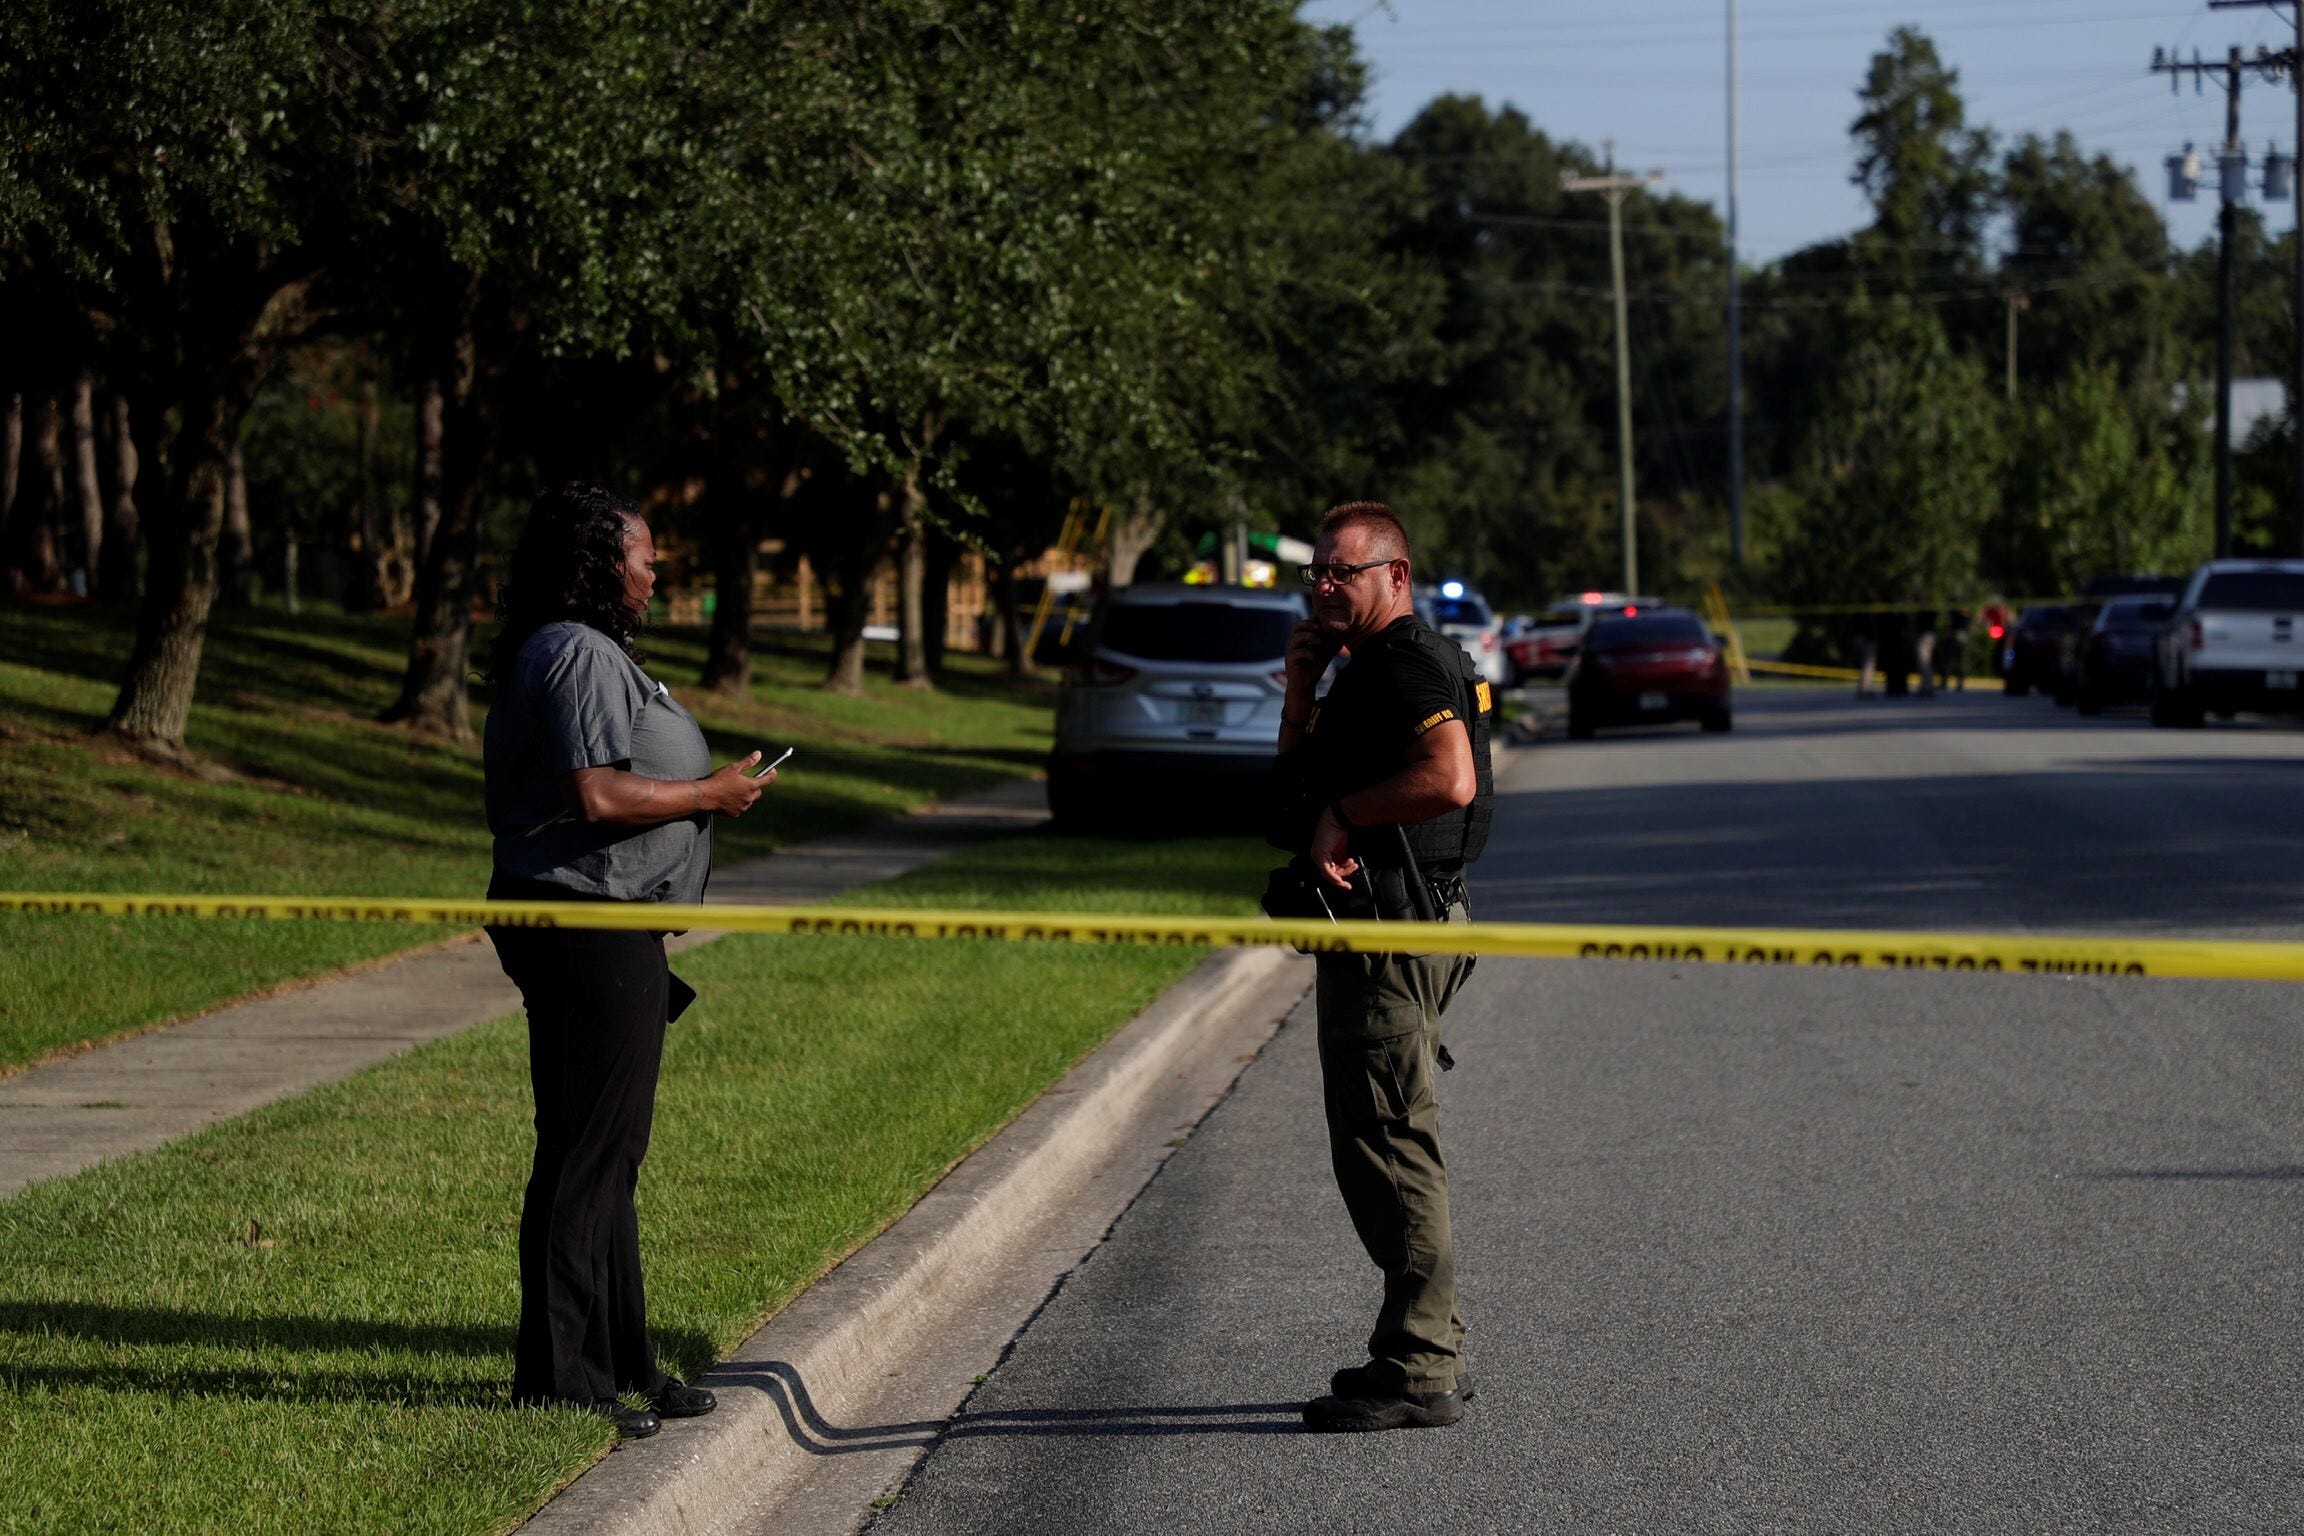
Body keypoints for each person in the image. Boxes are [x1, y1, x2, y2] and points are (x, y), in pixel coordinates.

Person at [482, 482, 773, 1438]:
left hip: (612, 928)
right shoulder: (573, 651)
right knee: (585, 1156)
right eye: (645, 555)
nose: (656, 571)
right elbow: (597, 797)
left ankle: (627, 1361)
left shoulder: (582, 650)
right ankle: (561, 1380)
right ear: (602, 563)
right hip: (585, 923)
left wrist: (708, 794)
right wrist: (709, 792)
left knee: (609, 1153)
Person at [1271, 500, 1492, 1433]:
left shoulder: (1403, 662)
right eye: (1315, 571)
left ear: (1393, 577)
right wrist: (1298, 691)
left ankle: (1422, 1367)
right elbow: (1295, 787)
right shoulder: (1362, 665)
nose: (1323, 584)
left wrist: (1347, 817)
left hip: (1395, 930)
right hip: (1382, 927)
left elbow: (1450, 778)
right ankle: (1420, 1339)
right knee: (1378, 1136)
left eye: (1341, 572)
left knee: (1391, 1141)